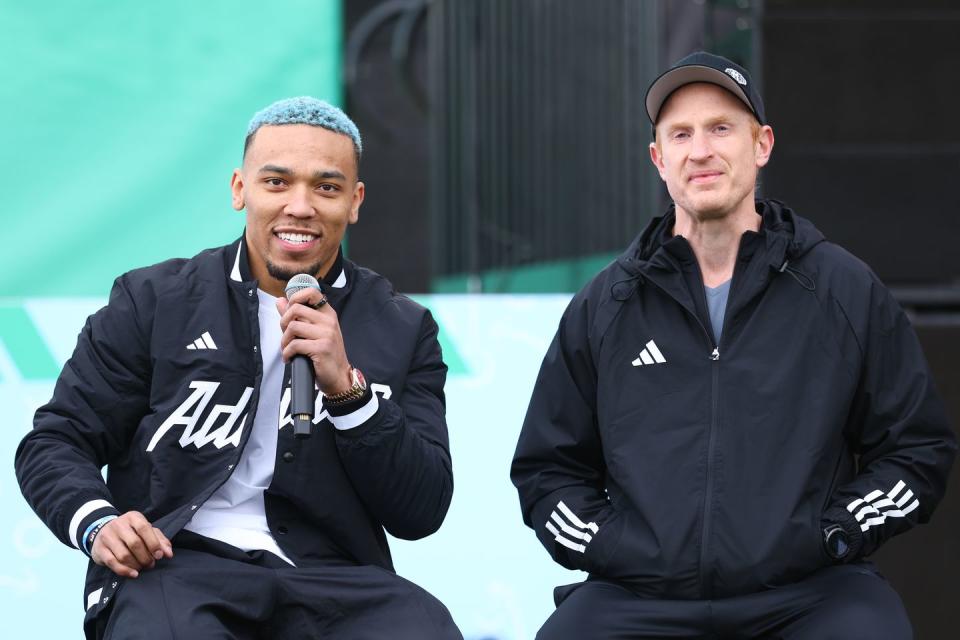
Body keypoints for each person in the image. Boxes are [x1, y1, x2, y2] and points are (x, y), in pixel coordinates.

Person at [511, 52, 957, 639]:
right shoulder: (606, 304)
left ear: (762, 144)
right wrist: (614, 547)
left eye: (721, 128)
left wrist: (836, 531)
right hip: (640, 596)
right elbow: (548, 469)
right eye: (680, 134)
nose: (700, 150)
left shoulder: (842, 288)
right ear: (658, 159)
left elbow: (916, 449)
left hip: (810, 594)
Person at [15, 97, 461, 639]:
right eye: (276, 182)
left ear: (355, 201)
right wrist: (99, 523)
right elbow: (56, 440)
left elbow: (422, 510)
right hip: (176, 564)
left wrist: (349, 393)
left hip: (333, 578)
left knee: (423, 627)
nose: (300, 206)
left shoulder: (402, 326)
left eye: (326, 187)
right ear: (239, 189)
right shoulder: (154, 300)